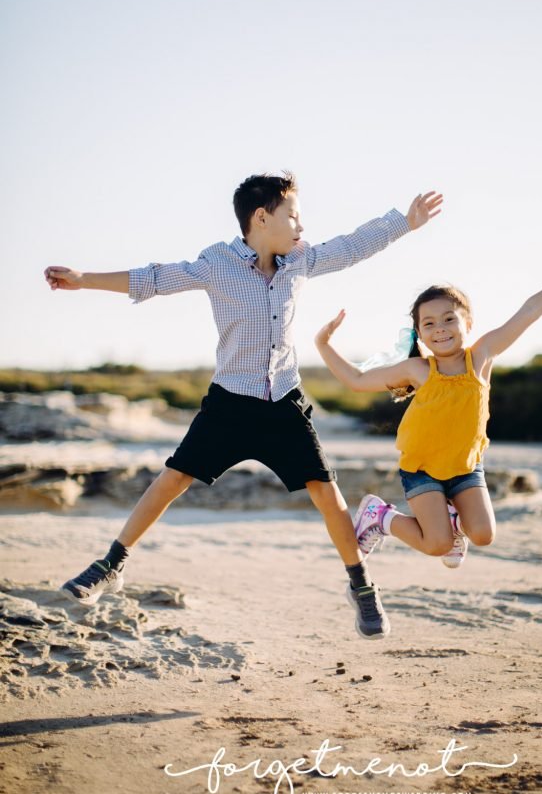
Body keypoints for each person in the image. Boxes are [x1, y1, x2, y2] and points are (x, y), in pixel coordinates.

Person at [44, 173, 443, 640]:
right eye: (293, 215)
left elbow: (351, 246)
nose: (301, 226)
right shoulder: (217, 263)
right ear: (261, 218)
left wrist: (404, 223)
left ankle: (361, 585)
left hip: (283, 402)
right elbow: (154, 278)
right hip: (230, 403)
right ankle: (111, 565)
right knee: (173, 478)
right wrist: (83, 280)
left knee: (325, 491)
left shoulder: (300, 260)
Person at [314, 240, 542, 570]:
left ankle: (454, 520)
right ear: (419, 334)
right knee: (437, 545)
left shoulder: (480, 357)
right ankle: (379, 516)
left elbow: (528, 313)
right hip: (421, 469)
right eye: (429, 324)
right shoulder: (418, 370)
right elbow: (356, 379)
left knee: (483, 535)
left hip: (465, 466)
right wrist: (323, 344)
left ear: (468, 323)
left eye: (448, 319)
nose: (439, 329)